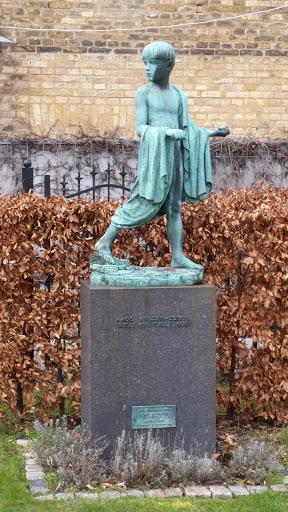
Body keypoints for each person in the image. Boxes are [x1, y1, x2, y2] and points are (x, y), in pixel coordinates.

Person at [94, 41, 229, 270]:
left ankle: (177, 256)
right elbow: (141, 128)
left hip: (175, 157)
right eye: (145, 62)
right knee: (140, 200)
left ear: (168, 65)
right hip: (155, 159)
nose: (147, 68)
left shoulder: (179, 95)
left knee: (174, 206)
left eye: (153, 63)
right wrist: (165, 132)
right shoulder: (143, 93)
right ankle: (104, 242)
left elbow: (188, 129)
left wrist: (213, 133)